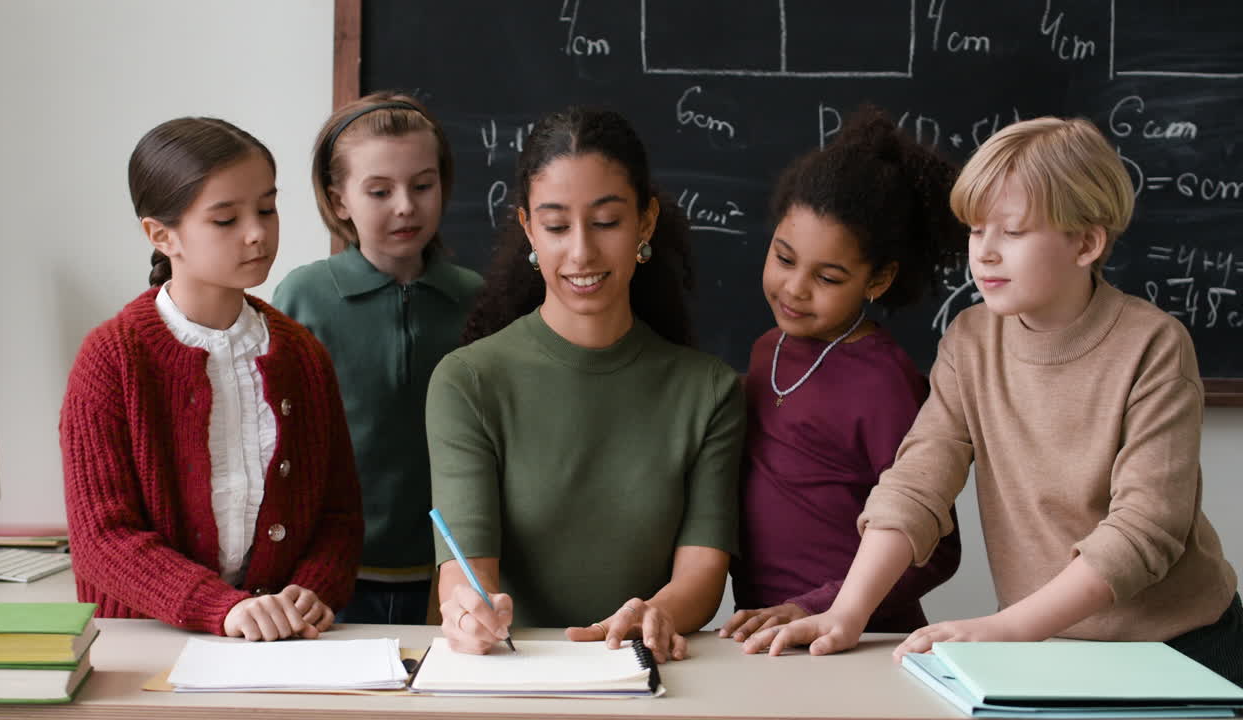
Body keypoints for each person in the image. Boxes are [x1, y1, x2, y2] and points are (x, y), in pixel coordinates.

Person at [745, 117, 1242, 688]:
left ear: (1086, 242)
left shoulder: (1153, 346)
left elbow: (1144, 528)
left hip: (1181, 647)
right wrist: (845, 613)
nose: (984, 254)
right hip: (1046, 646)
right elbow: (917, 484)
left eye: (1012, 232)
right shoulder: (970, 340)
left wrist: (1006, 628)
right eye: (976, 231)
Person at [427, 107, 744, 663]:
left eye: (605, 222)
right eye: (555, 226)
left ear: (645, 223)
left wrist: (656, 612)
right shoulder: (468, 382)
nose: (581, 252)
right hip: (515, 672)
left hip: (645, 669)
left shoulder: (710, 391)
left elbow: (702, 572)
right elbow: (465, 570)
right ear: (528, 229)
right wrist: (465, 611)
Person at [61, 117, 362, 641]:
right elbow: (102, 537)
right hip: (142, 648)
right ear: (161, 235)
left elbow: (338, 513)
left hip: (280, 648)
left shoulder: (302, 356)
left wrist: (315, 588)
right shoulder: (112, 359)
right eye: (226, 219)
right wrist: (220, 607)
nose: (257, 232)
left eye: (267, 208)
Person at [722, 109, 964, 646]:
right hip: (767, 638)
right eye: (784, 258)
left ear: (878, 278)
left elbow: (939, 550)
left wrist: (814, 605)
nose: (795, 288)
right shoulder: (767, 352)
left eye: (828, 277)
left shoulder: (882, 382)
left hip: (859, 640)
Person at [273, 92, 482, 624]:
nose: (406, 206)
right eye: (379, 190)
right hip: (328, 579)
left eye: (422, 185)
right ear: (339, 199)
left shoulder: (479, 300)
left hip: (452, 578)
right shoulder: (303, 298)